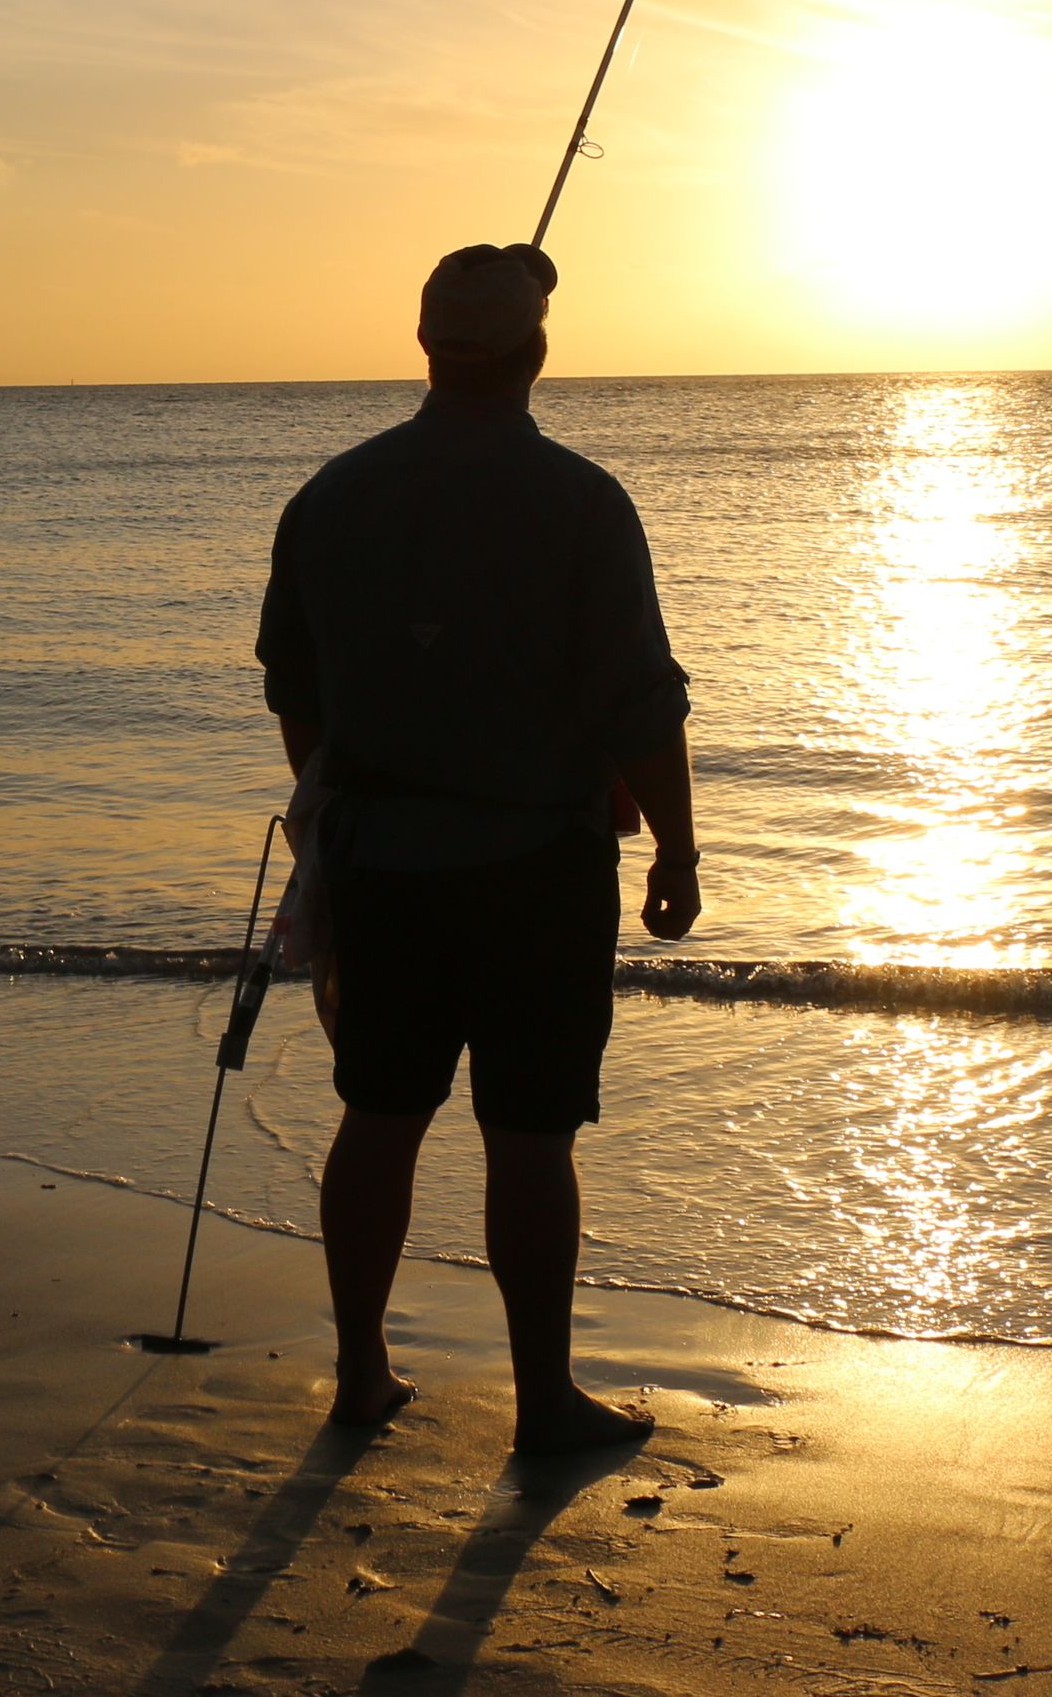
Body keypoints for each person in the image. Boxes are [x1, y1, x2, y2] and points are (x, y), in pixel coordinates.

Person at [254, 240, 702, 1456]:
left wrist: (330, 809)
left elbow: (294, 688)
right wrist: (677, 852)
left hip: (379, 865)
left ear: (425, 347)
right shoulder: (582, 502)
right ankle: (542, 1400)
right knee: (531, 1136)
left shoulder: (331, 497)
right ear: (536, 351)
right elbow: (640, 704)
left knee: (379, 1115)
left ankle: (361, 1374)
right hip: (536, 870)